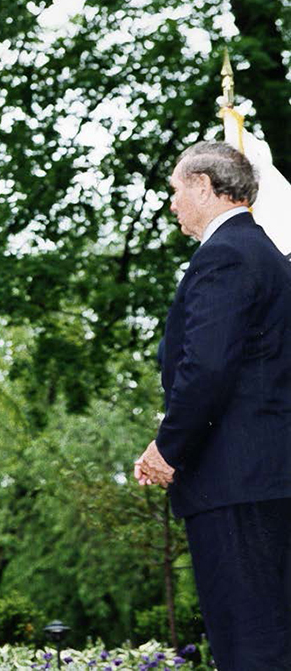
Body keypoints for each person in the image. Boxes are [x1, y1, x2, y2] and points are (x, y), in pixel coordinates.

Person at [134, 141, 291, 670]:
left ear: (203, 185)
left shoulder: (226, 255)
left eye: (176, 189)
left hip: (235, 484)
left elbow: (206, 369)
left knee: (250, 645)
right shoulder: (267, 255)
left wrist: (167, 449)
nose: (172, 203)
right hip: (267, 479)